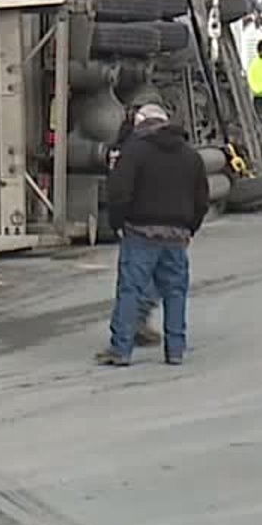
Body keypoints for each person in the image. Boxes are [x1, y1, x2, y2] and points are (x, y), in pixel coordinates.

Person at [98, 104, 211, 367]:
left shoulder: (134, 152)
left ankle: (121, 350)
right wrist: (189, 228)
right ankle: (175, 350)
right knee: (175, 292)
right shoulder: (190, 156)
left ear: (140, 124)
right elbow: (202, 200)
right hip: (177, 235)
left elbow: (119, 192)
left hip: (139, 232)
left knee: (130, 290)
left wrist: (117, 223)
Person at [107, 104, 162, 348]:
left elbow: (117, 190)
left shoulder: (126, 151)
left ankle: (123, 336)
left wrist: (117, 222)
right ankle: (140, 325)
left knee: (131, 280)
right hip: (165, 225)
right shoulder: (172, 151)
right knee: (160, 276)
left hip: (136, 224)